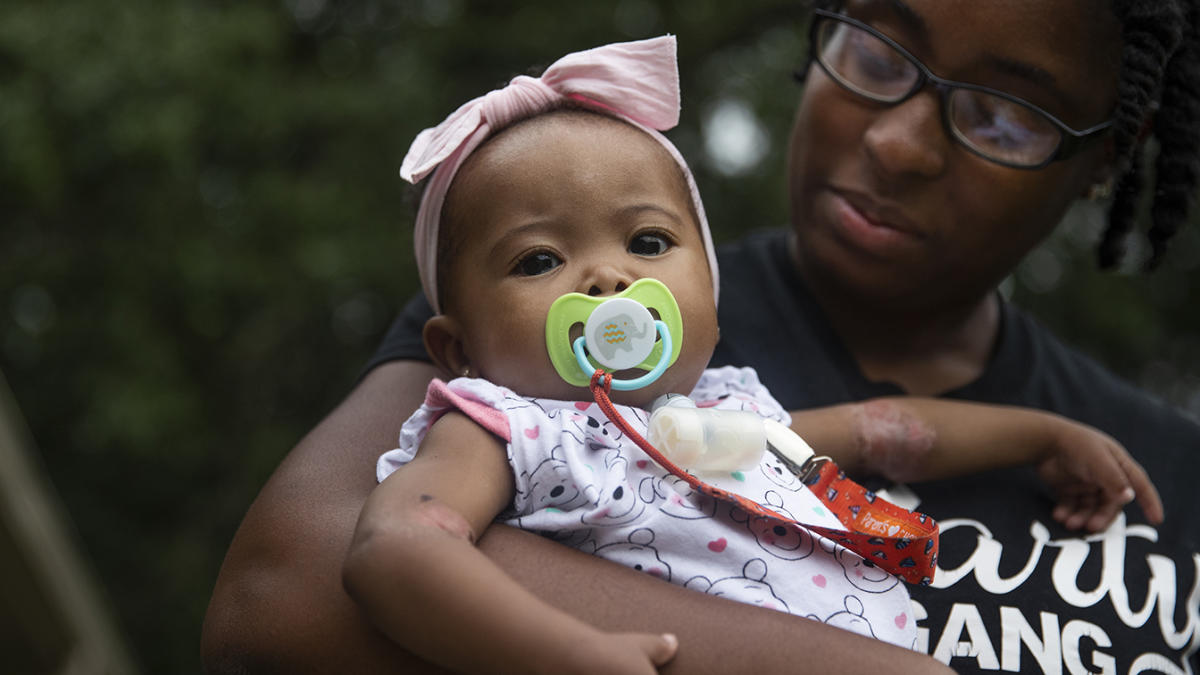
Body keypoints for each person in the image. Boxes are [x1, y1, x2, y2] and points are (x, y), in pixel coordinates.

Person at [202, 1, 1200, 673]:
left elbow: (888, 430)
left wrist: (1034, 434)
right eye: (876, 51)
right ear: (451, 348)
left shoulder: (712, 419)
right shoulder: (509, 401)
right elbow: (316, 579)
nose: (605, 280)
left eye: (1004, 114)